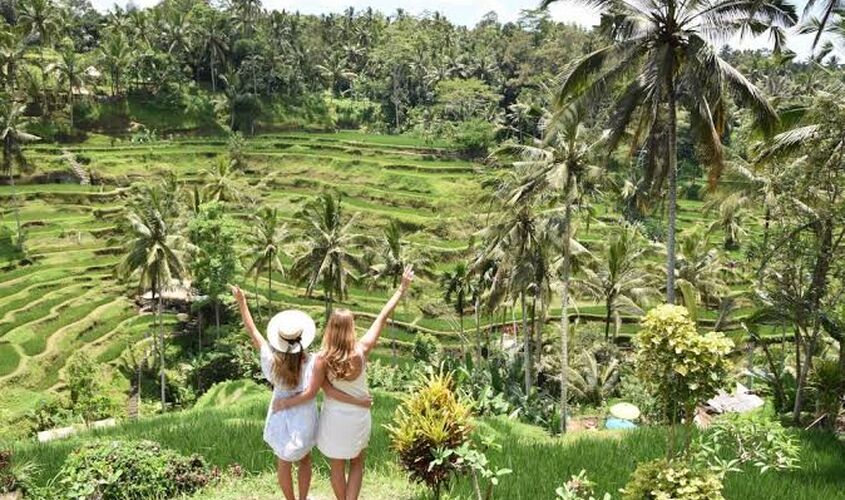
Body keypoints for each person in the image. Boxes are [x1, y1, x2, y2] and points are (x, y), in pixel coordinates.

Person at [277, 265, 414, 500]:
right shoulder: (362, 351)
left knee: (337, 465)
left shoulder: (322, 359)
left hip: (335, 418)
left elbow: (327, 391)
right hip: (358, 417)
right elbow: (382, 317)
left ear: (330, 329)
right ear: (351, 329)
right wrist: (401, 288)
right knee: (358, 461)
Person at [231, 286, 369, 500]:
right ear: (303, 338)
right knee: (305, 460)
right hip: (304, 418)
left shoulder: (271, 361)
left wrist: (242, 302)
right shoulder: (315, 362)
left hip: (279, 416)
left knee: (283, 462)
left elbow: (253, 331)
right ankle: (303, 498)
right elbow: (314, 392)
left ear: (279, 339)